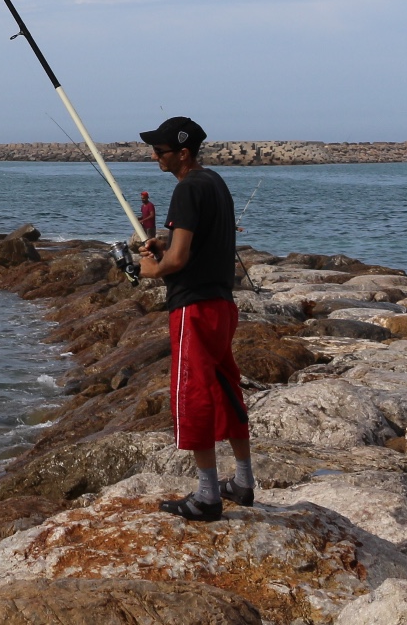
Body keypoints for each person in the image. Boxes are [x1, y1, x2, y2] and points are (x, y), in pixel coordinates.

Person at [136, 115, 251, 521]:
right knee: (227, 388)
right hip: (222, 304)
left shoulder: (186, 190)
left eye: (161, 151)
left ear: (183, 153)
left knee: (194, 393)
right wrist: (162, 243)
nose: (155, 156)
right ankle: (243, 480)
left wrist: (146, 269)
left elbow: (178, 261)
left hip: (194, 307)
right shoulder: (214, 182)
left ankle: (206, 496)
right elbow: (192, 241)